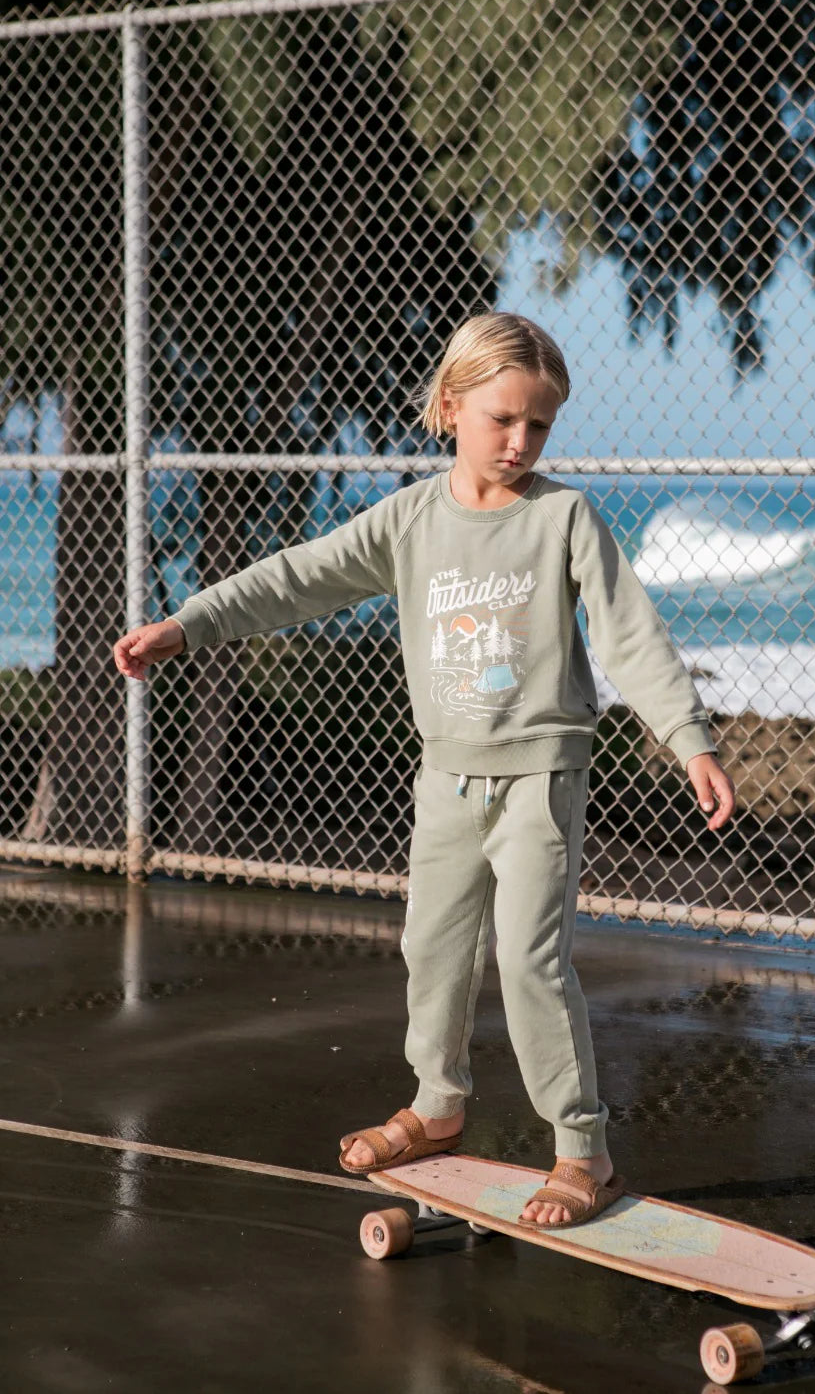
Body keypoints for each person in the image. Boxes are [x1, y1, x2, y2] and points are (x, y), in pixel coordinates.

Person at [112, 311, 735, 1230]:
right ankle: (437, 1108)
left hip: (539, 780)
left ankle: (581, 1151)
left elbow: (627, 633)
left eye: (539, 425)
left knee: (528, 962)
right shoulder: (408, 519)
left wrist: (687, 736)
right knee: (432, 952)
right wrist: (189, 622)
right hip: (444, 779)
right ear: (450, 408)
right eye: (501, 420)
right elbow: (296, 576)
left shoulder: (562, 517)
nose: (521, 441)